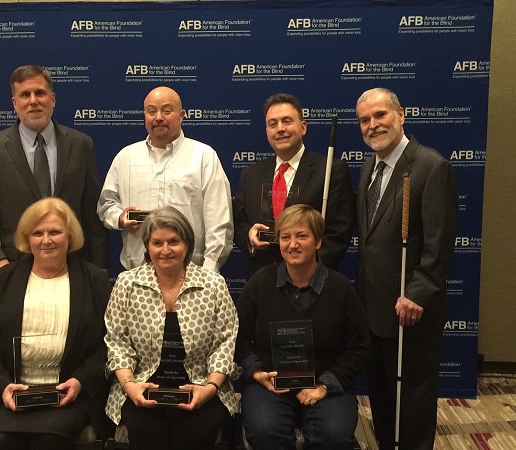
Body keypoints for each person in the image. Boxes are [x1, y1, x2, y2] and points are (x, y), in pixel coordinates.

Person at [0, 198, 112, 450]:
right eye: (38, 233)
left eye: (54, 232)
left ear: (70, 236)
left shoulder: (95, 280)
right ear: (27, 238)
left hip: (67, 394)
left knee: (49, 441)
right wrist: (2, 386)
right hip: (8, 394)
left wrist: (80, 381)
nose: (46, 240)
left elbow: (110, 343)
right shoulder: (2, 280)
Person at [355, 87, 458, 450]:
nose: (372, 125)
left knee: (412, 402)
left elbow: (438, 242)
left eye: (380, 115)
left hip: (409, 310)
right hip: (374, 309)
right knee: (383, 398)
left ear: (401, 115)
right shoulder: (370, 166)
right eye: (364, 120)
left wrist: (417, 294)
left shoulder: (430, 166)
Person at [235, 204, 370, 450]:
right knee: (265, 431)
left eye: (302, 236)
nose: (292, 244)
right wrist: (256, 372)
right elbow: (238, 337)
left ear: (318, 242)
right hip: (270, 382)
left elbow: (359, 348)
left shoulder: (341, 289)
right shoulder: (260, 284)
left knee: (333, 436)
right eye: (285, 237)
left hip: (323, 384)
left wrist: (326, 385)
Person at [104, 206, 238, 450]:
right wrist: (129, 385)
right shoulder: (127, 283)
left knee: (193, 436)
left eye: (173, 241)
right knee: (148, 435)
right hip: (141, 386)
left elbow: (225, 344)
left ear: (187, 243)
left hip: (200, 385)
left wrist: (208, 389)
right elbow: (117, 342)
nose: (165, 250)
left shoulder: (213, 285)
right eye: (157, 242)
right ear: (147, 246)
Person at [0, 64, 110, 274]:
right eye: (25, 95)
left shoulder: (80, 144)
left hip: (73, 267)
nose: (33, 101)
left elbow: (92, 215)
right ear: (15, 103)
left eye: (40, 93)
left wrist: (99, 271)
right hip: (14, 269)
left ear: (53, 99)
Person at [97, 86, 233, 272]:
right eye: (151, 111)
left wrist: (209, 271)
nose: (158, 117)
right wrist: (119, 218)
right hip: (137, 275)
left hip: (192, 275)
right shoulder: (126, 157)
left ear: (182, 115)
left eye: (167, 111)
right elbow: (106, 204)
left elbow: (219, 219)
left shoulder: (203, 156)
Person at [233, 93, 353, 278]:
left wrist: (306, 269)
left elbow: (339, 231)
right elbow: (238, 222)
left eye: (287, 121)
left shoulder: (329, 170)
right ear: (267, 131)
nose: (280, 129)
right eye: (273, 124)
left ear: (303, 127)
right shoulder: (251, 174)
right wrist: (249, 235)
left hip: (313, 282)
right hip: (263, 281)